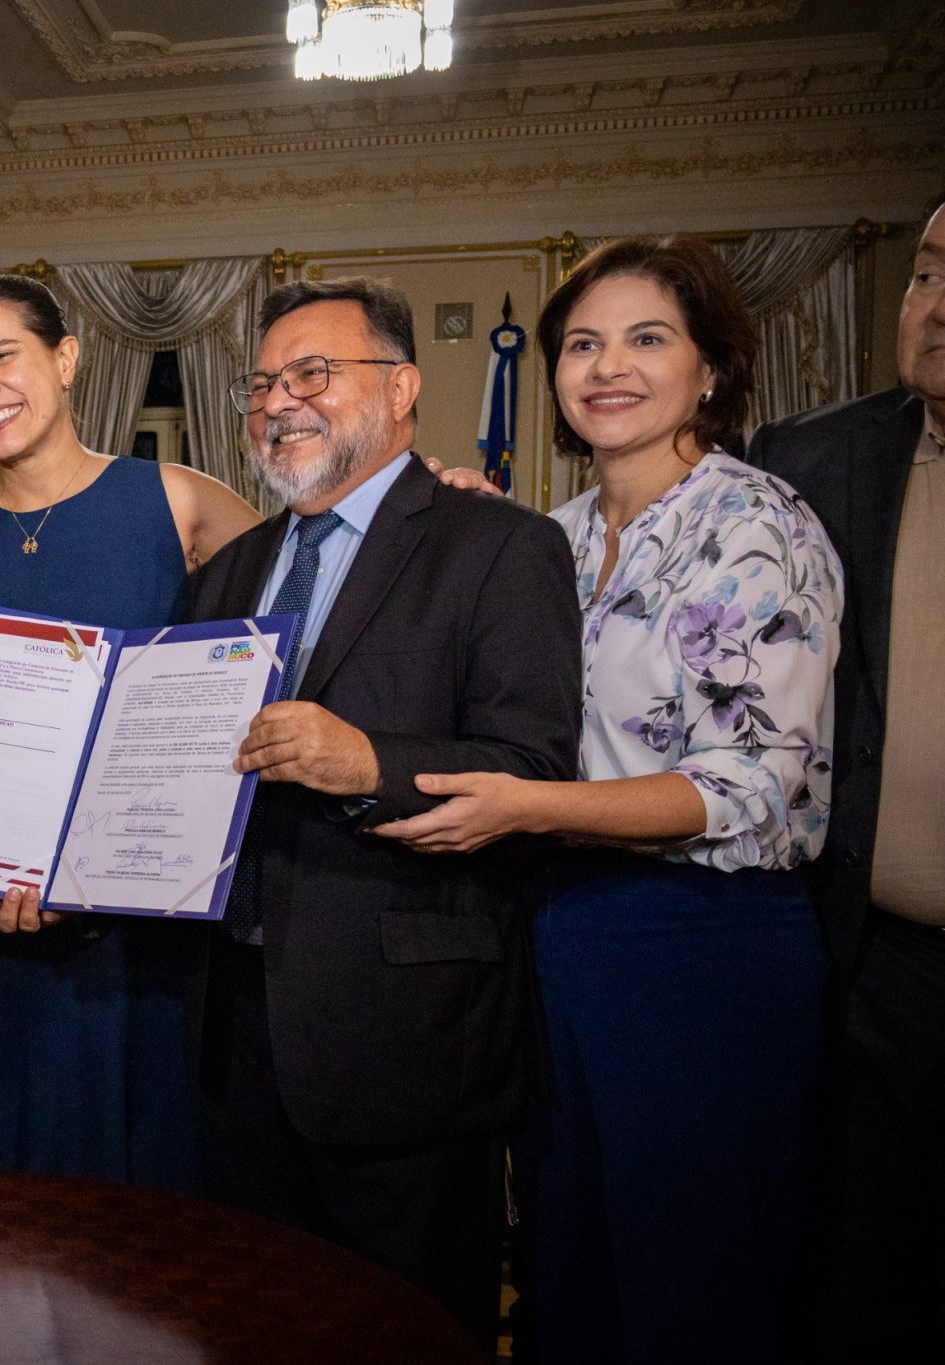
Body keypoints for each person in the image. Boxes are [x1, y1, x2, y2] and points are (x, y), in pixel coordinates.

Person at [373, 238, 843, 1363]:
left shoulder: (759, 524)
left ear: (710, 369)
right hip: (557, 928)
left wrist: (527, 808)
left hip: (702, 944)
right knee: (567, 1261)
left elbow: (748, 785)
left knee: (693, 1277)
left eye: (646, 339)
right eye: (581, 343)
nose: (607, 367)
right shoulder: (557, 535)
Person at [180, 277, 584, 1348]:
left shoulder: (498, 545)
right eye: (262, 382)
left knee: (405, 1333)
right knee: (251, 1326)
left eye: (312, 373)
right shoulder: (227, 571)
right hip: (232, 1032)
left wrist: (368, 763)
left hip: (406, 1037)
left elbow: (532, 764)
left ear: (401, 388)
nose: (279, 400)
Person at [0, 273, 259, 1190]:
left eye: (2, 356)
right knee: (3, 1209)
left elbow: (298, 626)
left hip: (143, 926)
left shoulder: (178, 500)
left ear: (67, 359)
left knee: (141, 1199)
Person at [746, 196, 945, 1363]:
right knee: (859, 1278)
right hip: (871, 961)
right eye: (925, 273)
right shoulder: (813, 460)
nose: (935, 306)